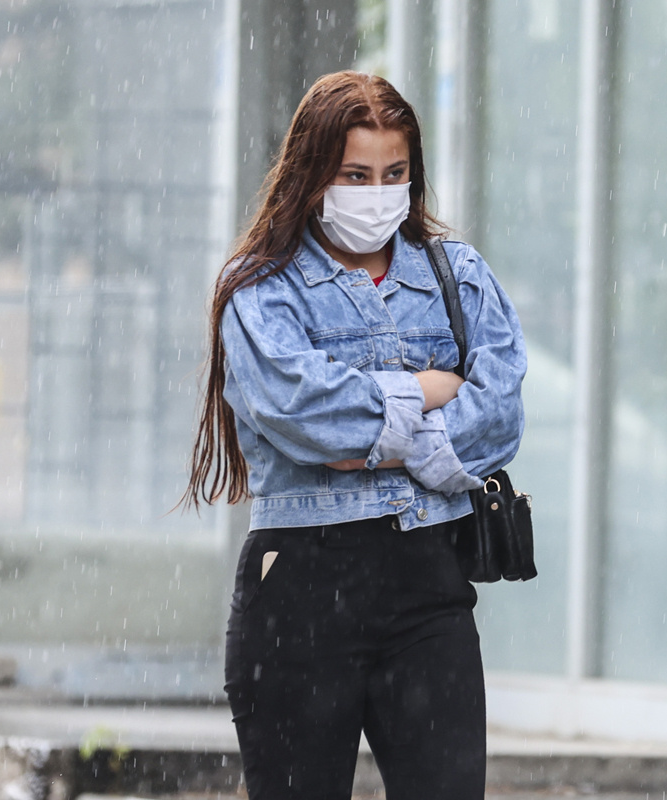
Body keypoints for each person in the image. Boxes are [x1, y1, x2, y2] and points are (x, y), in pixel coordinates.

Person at [183, 70, 527, 800]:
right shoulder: (260, 288)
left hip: (427, 587)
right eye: (355, 174)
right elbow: (307, 415)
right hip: (300, 588)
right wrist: (433, 396)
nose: (376, 192)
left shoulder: (456, 277)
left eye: (393, 173)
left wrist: (371, 437)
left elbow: (500, 418)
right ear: (313, 174)